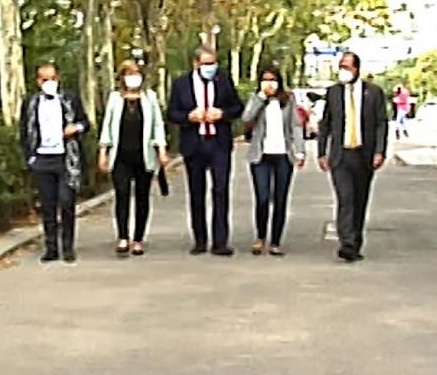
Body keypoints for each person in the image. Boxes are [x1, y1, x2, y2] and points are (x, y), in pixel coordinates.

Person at [167, 44, 246, 256]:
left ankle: (220, 242)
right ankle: (200, 240)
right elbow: (172, 113)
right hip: (194, 143)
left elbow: (237, 107)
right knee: (196, 192)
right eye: (206, 63)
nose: (210, 67)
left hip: (218, 143)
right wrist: (188, 117)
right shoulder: (181, 84)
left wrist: (222, 114)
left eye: (213, 63)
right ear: (195, 64)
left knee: (220, 190)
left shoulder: (224, 81)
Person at [316, 50, 388, 262]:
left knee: (359, 200)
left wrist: (380, 151)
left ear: (356, 69)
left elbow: (381, 123)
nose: (343, 71)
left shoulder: (373, 92)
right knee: (345, 198)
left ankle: (356, 242)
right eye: (341, 67)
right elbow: (325, 124)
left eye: (347, 67)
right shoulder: (333, 93)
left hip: (364, 154)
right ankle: (346, 243)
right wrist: (322, 152)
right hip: (341, 155)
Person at [18, 60, 88, 264]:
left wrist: (76, 128)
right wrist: (30, 157)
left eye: (53, 78)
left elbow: (85, 122)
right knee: (48, 205)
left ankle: (68, 247)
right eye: (44, 79)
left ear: (58, 79)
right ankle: (51, 247)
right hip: (41, 159)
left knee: (66, 202)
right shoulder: (30, 102)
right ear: (38, 81)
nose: (49, 82)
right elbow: (24, 131)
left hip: (66, 159)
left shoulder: (70, 99)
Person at [98, 59, 168, 256]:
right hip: (120, 156)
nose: (132, 78)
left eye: (136, 73)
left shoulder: (149, 98)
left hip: (143, 156)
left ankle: (138, 238)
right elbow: (107, 126)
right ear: (122, 77)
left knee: (142, 197)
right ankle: (123, 236)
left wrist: (162, 150)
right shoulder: (114, 98)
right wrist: (103, 152)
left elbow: (157, 125)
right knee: (122, 195)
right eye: (128, 74)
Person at [240, 65, 305, 256]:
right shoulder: (256, 99)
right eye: (265, 80)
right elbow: (246, 117)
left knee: (280, 199)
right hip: (261, 156)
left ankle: (276, 241)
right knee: (262, 197)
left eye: (273, 80)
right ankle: (260, 237)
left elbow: (295, 125)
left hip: (283, 155)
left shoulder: (288, 100)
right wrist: (261, 97)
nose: (270, 84)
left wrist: (300, 151)